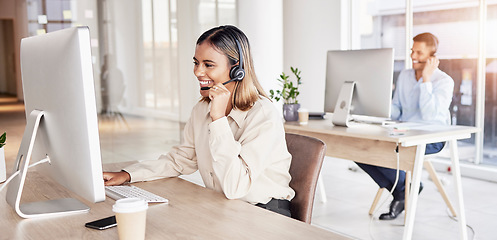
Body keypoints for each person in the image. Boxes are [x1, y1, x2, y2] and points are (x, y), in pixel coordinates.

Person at [103, 25, 295, 217]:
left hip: (265, 214)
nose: (197, 72)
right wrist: (128, 175)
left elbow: (236, 186)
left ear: (237, 70)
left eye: (208, 65)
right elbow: (180, 160)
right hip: (225, 208)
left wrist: (218, 119)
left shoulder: (262, 114)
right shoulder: (202, 109)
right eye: (196, 63)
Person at [356, 32, 454, 220]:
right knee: (359, 149)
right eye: (412, 51)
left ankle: (403, 190)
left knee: (384, 151)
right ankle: (404, 188)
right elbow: (398, 108)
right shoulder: (405, 75)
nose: (413, 56)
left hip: (432, 136)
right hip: (403, 132)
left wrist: (426, 79)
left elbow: (430, 115)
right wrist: (377, 108)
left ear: (432, 56)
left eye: (419, 52)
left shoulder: (444, 81)